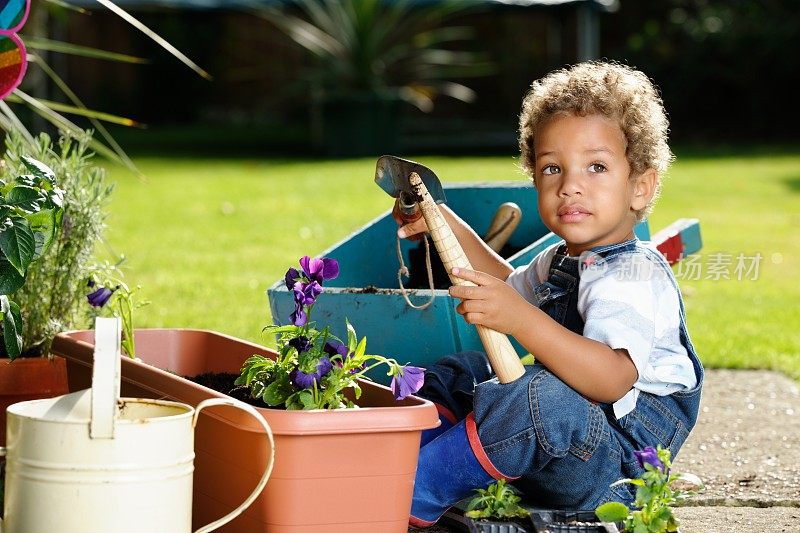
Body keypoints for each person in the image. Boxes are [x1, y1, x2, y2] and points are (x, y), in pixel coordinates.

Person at [395, 61, 704, 528]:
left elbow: (611, 379)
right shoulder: (564, 260)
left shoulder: (633, 275)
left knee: (538, 395)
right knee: (463, 370)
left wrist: (520, 320)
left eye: (596, 166)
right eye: (552, 168)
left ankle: (416, 490)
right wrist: (444, 225)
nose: (570, 185)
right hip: (559, 449)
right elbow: (503, 283)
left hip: (613, 468)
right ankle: (419, 454)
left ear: (640, 187)